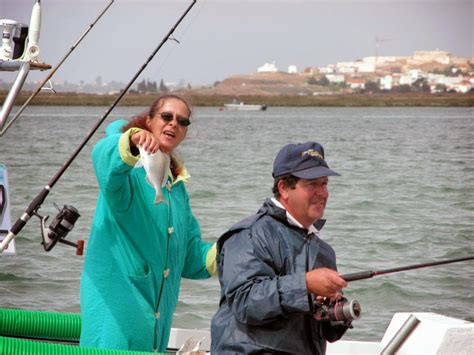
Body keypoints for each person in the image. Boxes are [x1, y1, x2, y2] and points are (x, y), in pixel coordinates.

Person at [80, 94, 217, 352]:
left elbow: (189, 256)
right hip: (116, 315)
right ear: (149, 120)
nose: (173, 123)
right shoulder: (128, 169)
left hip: (155, 324)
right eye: (166, 116)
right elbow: (103, 157)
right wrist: (131, 141)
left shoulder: (176, 188)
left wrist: (233, 251)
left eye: (182, 121)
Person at [211, 141, 350, 354]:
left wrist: (337, 311)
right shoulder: (250, 234)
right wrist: (305, 284)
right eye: (312, 184)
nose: (322, 193)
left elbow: (325, 334)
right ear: (284, 188)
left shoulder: (324, 251)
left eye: (325, 183)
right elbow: (245, 301)